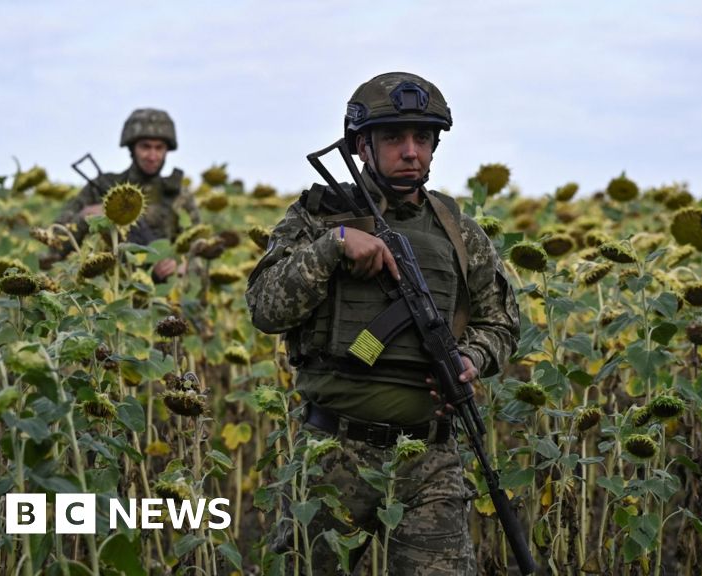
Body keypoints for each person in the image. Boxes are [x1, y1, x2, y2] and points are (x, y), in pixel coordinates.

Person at [246, 72, 520, 574]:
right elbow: (266, 308)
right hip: (335, 454)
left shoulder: (460, 233)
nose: (411, 151)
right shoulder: (317, 218)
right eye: (394, 137)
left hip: (429, 457)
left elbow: (501, 323)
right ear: (361, 147)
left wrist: (470, 357)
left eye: (423, 138)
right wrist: (333, 247)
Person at [41, 108, 199, 281]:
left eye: (159, 148)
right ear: (132, 148)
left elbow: (198, 248)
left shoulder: (179, 196)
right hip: (108, 290)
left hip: (161, 295)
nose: (153, 156)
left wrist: (182, 263)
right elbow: (55, 246)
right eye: (145, 147)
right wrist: (85, 217)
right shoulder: (101, 187)